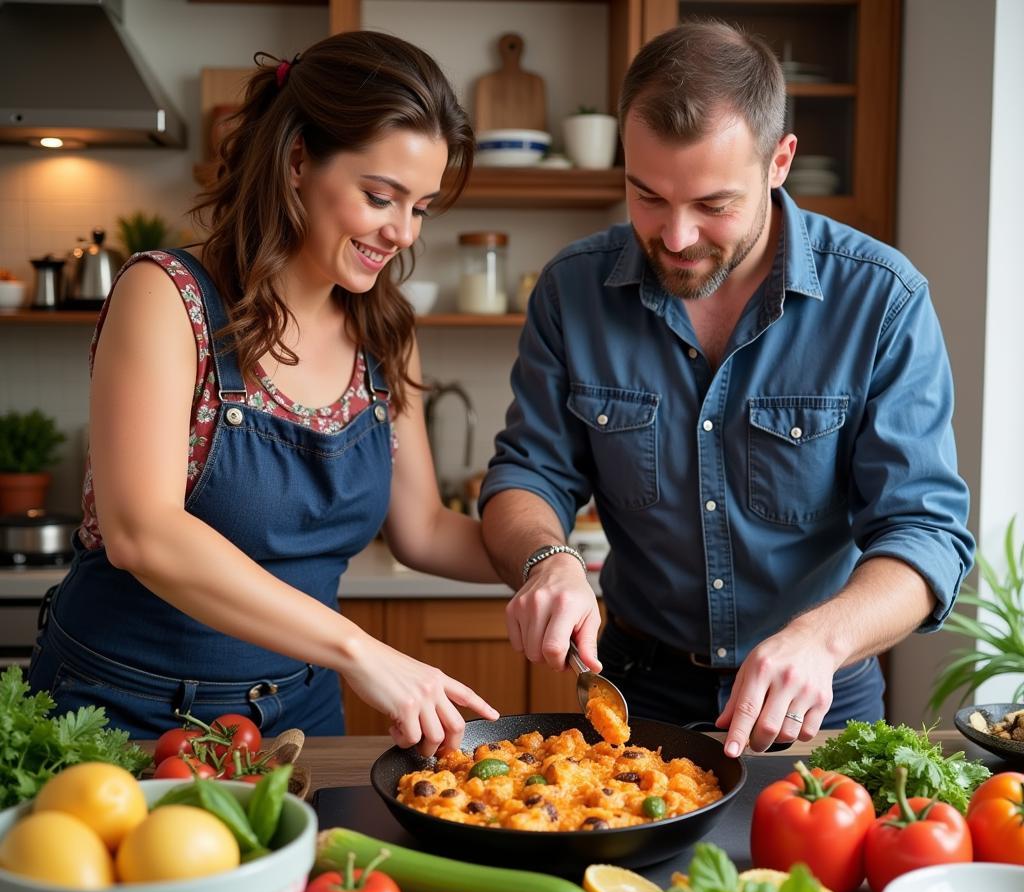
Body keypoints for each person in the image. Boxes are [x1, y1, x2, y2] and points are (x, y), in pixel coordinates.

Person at [479, 20, 974, 757]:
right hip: (636, 698)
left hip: (821, 699)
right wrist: (546, 560)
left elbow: (926, 533)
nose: (675, 236)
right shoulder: (572, 290)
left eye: (713, 205)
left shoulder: (881, 299)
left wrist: (819, 637)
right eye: (646, 196)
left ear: (780, 162)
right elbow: (526, 475)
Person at [27, 31, 500, 754]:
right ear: (298, 160)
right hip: (124, 714)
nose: (402, 232)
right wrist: (360, 650)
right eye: (381, 197)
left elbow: (424, 529)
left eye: (422, 208)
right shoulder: (166, 297)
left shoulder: (387, 331)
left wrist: (552, 558)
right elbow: (141, 533)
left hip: (298, 720)